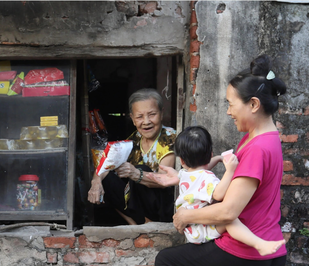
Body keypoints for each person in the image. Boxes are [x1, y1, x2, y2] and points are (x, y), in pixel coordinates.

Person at [149, 54, 288, 265]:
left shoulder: (257, 148)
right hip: (267, 243)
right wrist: (185, 177)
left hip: (245, 251)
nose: (228, 111)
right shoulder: (261, 137)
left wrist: (185, 216)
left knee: (166, 260)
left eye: (231, 104)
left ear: (253, 104)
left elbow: (228, 211)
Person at [171, 125, 285, 256]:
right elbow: (218, 194)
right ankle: (258, 244)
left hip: (191, 229)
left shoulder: (183, 174)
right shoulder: (207, 178)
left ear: (182, 160)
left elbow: (201, 168)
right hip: (203, 228)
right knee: (230, 220)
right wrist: (230, 171)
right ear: (210, 154)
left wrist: (219, 159)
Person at [87, 88, 177, 225]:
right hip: (141, 208)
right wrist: (96, 182)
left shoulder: (170, 138)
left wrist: (136, 174)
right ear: (133, 119)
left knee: (140, 169)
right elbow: (103, 166)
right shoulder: (133, 140)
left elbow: (164, 180)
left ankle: (150, 223)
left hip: (164, 208)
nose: (146, 121)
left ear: (161, 113)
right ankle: (134, 225)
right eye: (140, 117)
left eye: (152, 114)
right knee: (107, 177)